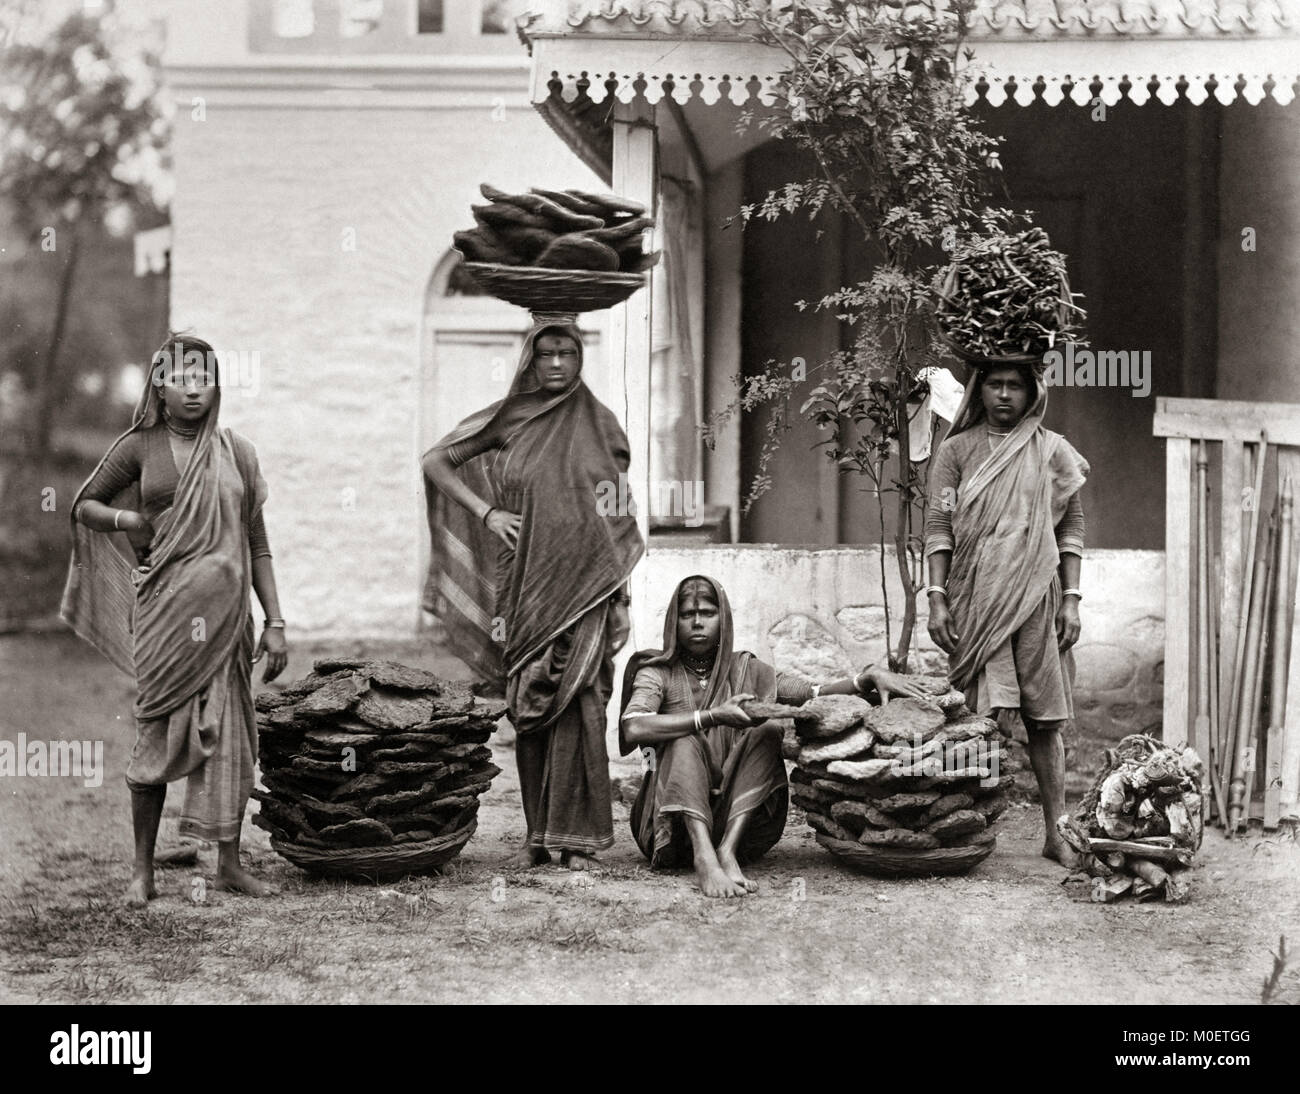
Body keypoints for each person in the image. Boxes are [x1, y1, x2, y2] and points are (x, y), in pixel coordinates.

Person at [62, 333, 288, 905]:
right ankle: (143, 870)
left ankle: (229, 865)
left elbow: (257, 543)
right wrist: (126, 520)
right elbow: (85, 505)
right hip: (165, 615)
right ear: (159, 388)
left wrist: (276, 620)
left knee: (231, 734)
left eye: (204, 378)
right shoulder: (138, 446)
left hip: (228, 620)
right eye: (181, 378)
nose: (194, 389)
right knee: (157, 730)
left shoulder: (238, 453)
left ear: (217, 387)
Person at [421, 318, 643, 871]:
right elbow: (436, 462)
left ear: (580, 358)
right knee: (530, 705)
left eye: (568, 353)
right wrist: (488, 512)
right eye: (546, 354)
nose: (557, 364)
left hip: (588, 589)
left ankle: (581, 841)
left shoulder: (600, 422)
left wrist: (620, 592)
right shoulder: (508, 418)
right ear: (529, 359)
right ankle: (538, 835)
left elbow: (617, 518)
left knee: (583, 704)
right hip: (523, 585)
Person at [619, 574, 929, 898]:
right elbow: (634, 725)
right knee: (683, 740)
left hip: (734, 820)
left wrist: (866, 677)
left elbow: (812, 693)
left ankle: (727, 850)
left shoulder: (746, 669)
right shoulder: (657, 671)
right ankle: (704, 858)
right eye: (687, 615)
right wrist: (711, 716)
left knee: (768, 730)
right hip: (671, 826)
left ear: (723, 618)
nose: (697, 623)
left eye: (707, 613)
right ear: (674, 621)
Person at [924, 361, 1089, 866]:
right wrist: (935, 596)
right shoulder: (956, 451)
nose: (1003, 394)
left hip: (1036, 597)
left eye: (1014, 385)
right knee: (979, 715)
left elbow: (1072, 529)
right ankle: (965, 833)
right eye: (994, 384)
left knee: (1045, 720)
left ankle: (1056, 832)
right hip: (978, 597)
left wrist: (1072, 598)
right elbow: (939, 524)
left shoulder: (1052, 451)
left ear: (1031, 391)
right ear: (979, 388)